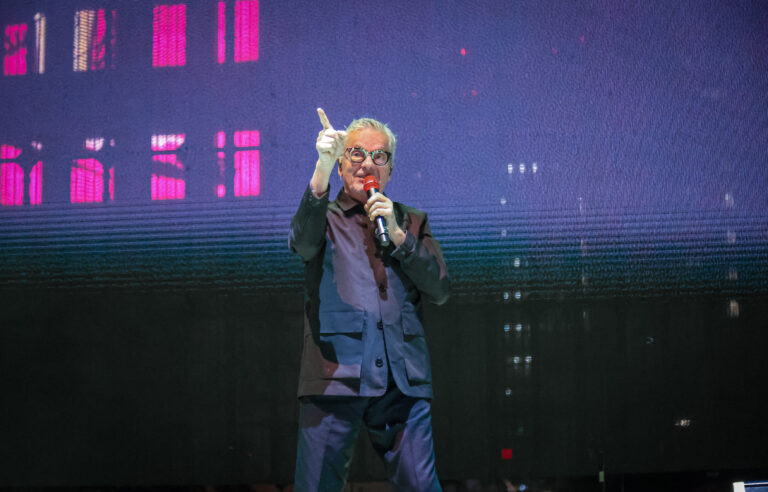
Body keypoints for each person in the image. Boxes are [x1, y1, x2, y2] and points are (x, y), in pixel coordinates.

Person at [289, 108, 450, 491]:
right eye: (356, 154)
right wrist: (321, 169)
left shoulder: (410, 221)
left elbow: (440, 289)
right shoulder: (322, 215)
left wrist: (398, 237)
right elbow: (303, 242)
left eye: (379, 157)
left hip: (402, 378)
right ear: (343, 164)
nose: (367, 165)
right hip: (335, 373)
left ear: (390, 169)